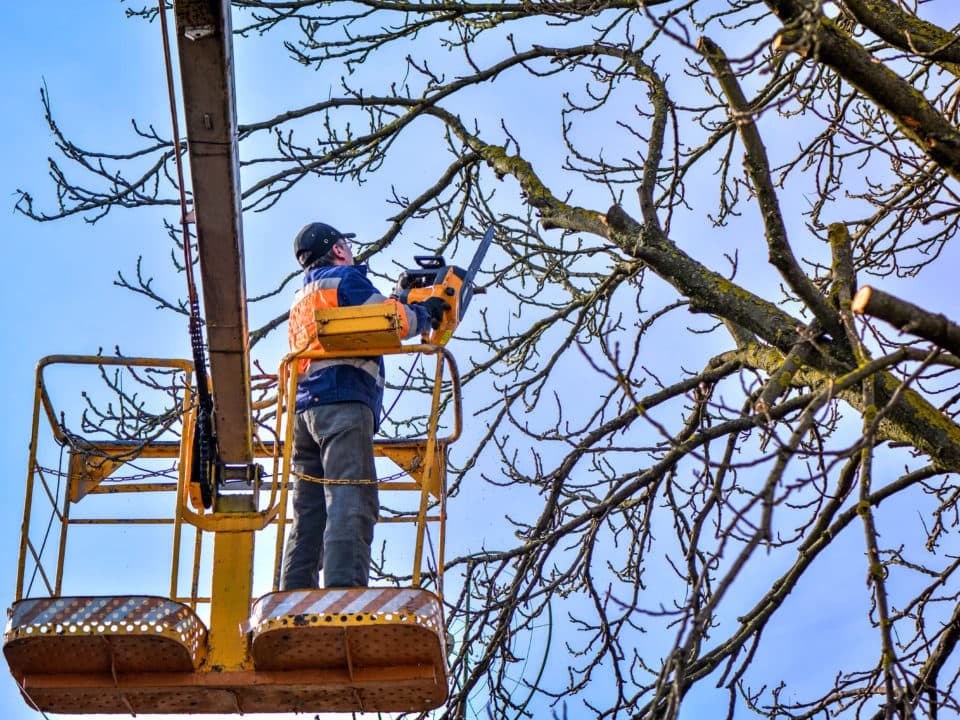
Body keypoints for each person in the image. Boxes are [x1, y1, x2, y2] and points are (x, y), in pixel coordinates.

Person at [280, 221, 448, 591]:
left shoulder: (303, 295)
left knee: (309, 513)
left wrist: (398, 300)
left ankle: (293, 597)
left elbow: (367, 320)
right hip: (342, 402)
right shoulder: (345, 280)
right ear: (338, 249)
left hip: (305, 411)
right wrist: (427, 312)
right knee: (350, 497)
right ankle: (343, 594)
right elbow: (392, 321)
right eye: (347, 245)